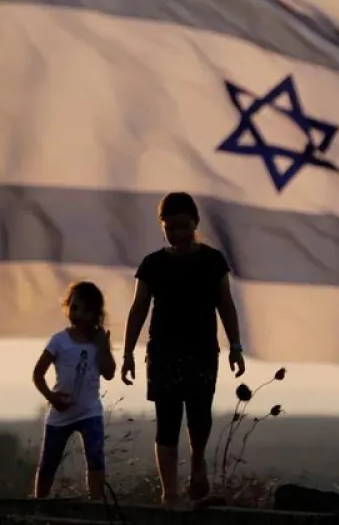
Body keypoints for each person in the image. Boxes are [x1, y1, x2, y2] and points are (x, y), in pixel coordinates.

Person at [120, 192, 244, 505]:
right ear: (162, 227)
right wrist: (127, 354)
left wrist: (236, 346)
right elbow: (138, 309)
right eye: (170, 227)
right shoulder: (153, 264)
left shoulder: (212, 261)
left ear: (195, 224)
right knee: (167, 421)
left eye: (184, 226)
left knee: (200, 416)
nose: (177, 234)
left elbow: (225, 305)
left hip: (202, 351)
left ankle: (198, 462)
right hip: (163, 353)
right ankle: (169, 494)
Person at [31, 281, 116, 499]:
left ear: (96, 314)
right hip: (61, 413)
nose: (79, 314)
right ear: (67, 306)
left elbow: (108, 372)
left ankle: (97, 504)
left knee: (95, 458)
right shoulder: (59, 341)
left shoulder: (98, 341)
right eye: (75, 307)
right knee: (49, 461)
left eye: (86, 310)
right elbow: (38, 373)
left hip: (89, 412)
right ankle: (39, 504)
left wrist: (104, 348)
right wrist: (51, 397)